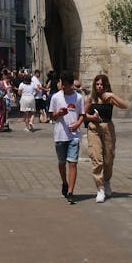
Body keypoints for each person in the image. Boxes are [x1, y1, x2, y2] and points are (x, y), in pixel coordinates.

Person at [82, 73, 129, 202]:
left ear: (106, 85)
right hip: (94, 129)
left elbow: (125, 106)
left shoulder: (109, 98)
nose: (99, 87)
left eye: (102, 84)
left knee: (109, 159)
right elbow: (83, 115)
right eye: (97, 84)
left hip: (108, 128)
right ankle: (100, 189)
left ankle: (107, 181)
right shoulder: (90, 98)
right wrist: (92, 117)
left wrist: (112, 95)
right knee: (97, 159)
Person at [49, 70, 85, 204]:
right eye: (60, 83)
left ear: (71, 84)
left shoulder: (78, 98)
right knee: (61, 163)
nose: (62, 86)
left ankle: (70, 191)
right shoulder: (56, 97)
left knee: (73, 163)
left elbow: (82, 114)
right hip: (60, 135)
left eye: (64, 84)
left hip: (74, 135)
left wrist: (78, 123)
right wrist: (58, 113)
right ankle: (64, 182)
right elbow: (51, 116)